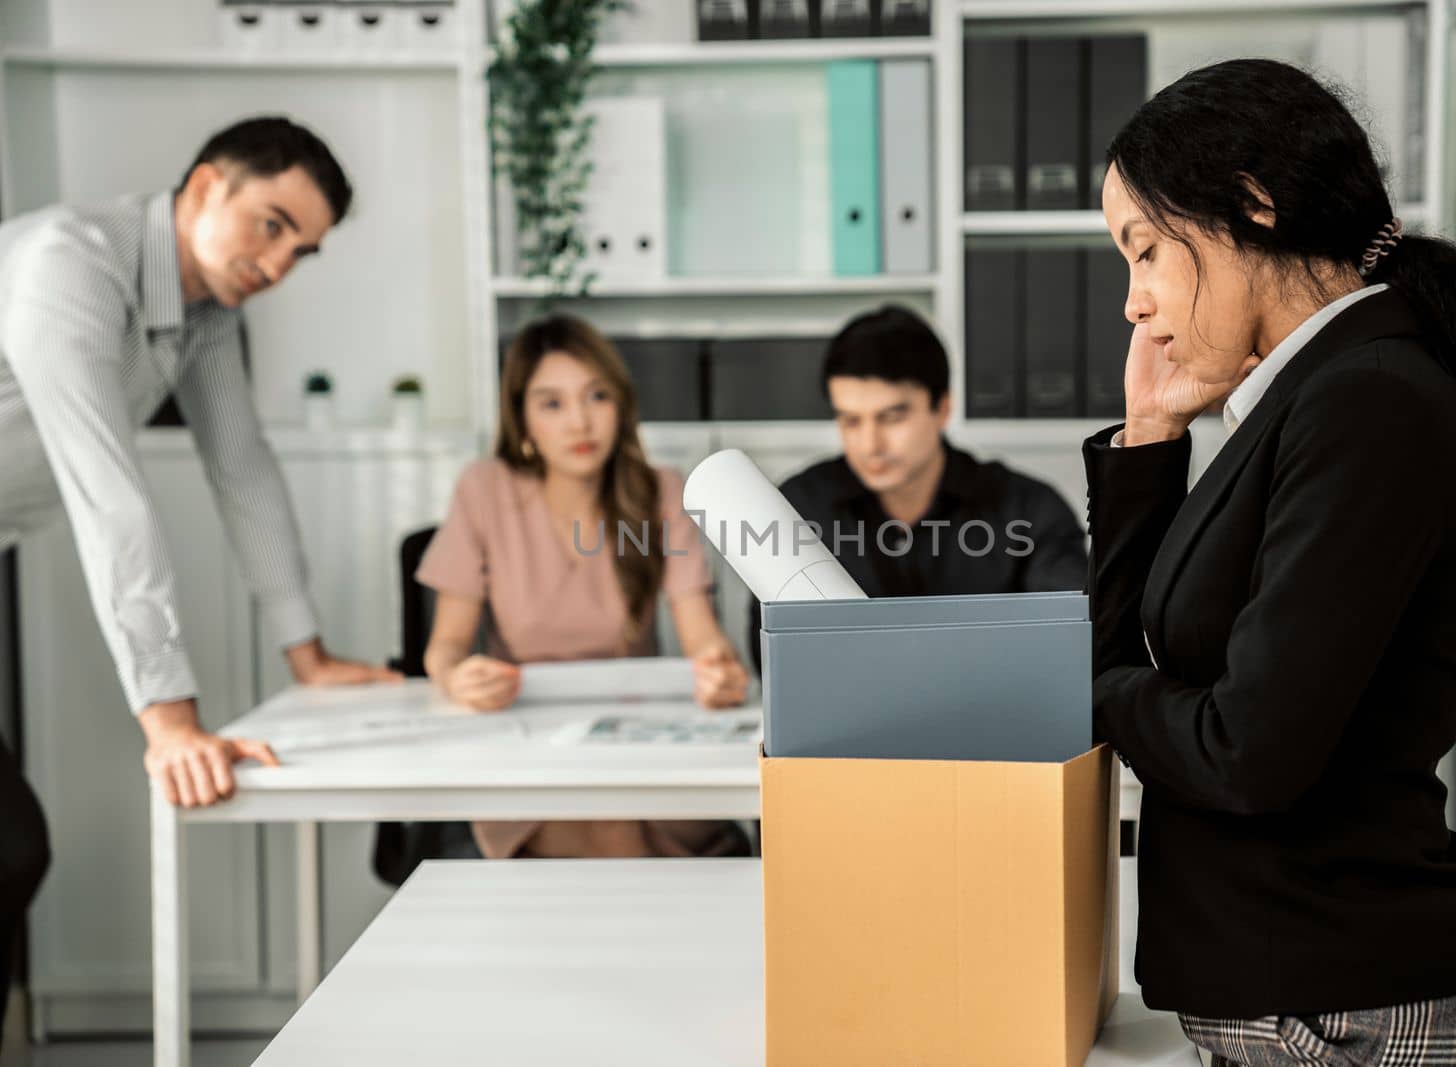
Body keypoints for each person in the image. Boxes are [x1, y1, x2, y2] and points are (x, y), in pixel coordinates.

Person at [1087, 59, 1456, 1065]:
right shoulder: (1314, 395)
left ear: (1254, 206)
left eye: (1145, 252)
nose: (1134, 302)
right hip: (1305, 1004)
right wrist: (1146, 439)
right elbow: (1142, 655)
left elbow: (1245, 751)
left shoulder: (1368, 402)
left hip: (1352, 1016)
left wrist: (1096, 691)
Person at [0, 116, 400, 1032]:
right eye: (270, 224)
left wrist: (310, 653)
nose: (278, 263)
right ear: (208, 184)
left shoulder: (204, 314)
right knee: (9, 846)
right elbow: (108, 493)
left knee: (7, 853)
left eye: (302, 251)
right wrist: (171, 721)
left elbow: (243, 469)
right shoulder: (72, 265)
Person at [416, 312, 751, 859]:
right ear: (522, 420)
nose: (579, 423)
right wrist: (458, 678)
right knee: (608, 828)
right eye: (552, 403)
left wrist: (720, 672)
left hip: (640, 743)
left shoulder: (661, 491)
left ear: (620, 406)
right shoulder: (484, 490)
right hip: (525, 746)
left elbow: (703, 639)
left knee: (620, 820)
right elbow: (445, 648)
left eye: (596, 397)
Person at [747, 304, 1087, 666]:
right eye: (850, 421)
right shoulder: (801, 506)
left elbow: (1069, 645)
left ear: (942, 408)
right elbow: (767, 654)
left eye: (892, 418)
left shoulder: (1030, 511)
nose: (870, 445)